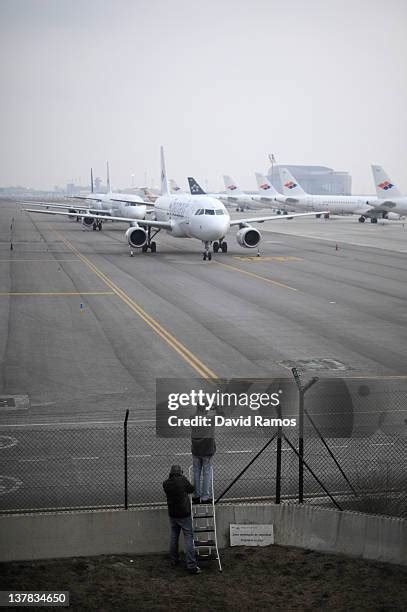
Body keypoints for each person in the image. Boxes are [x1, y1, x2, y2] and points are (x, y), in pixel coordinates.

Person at [162, 464, 201, 574]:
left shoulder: (166, 484)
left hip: (173, 514)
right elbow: (191, 489)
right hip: (184, 513)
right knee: (188, 537)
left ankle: (174, 559)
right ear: (180, 472)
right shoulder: (182, 480)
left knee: (174, 536)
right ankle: (191, 565)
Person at [191, 407, 216, 504]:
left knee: (196, 473)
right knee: (206, 473)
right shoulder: (210, 419)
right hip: (207, 450)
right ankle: (205, 496)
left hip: (196, 449)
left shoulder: (192, 418)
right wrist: (217, 407)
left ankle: (196, 496)